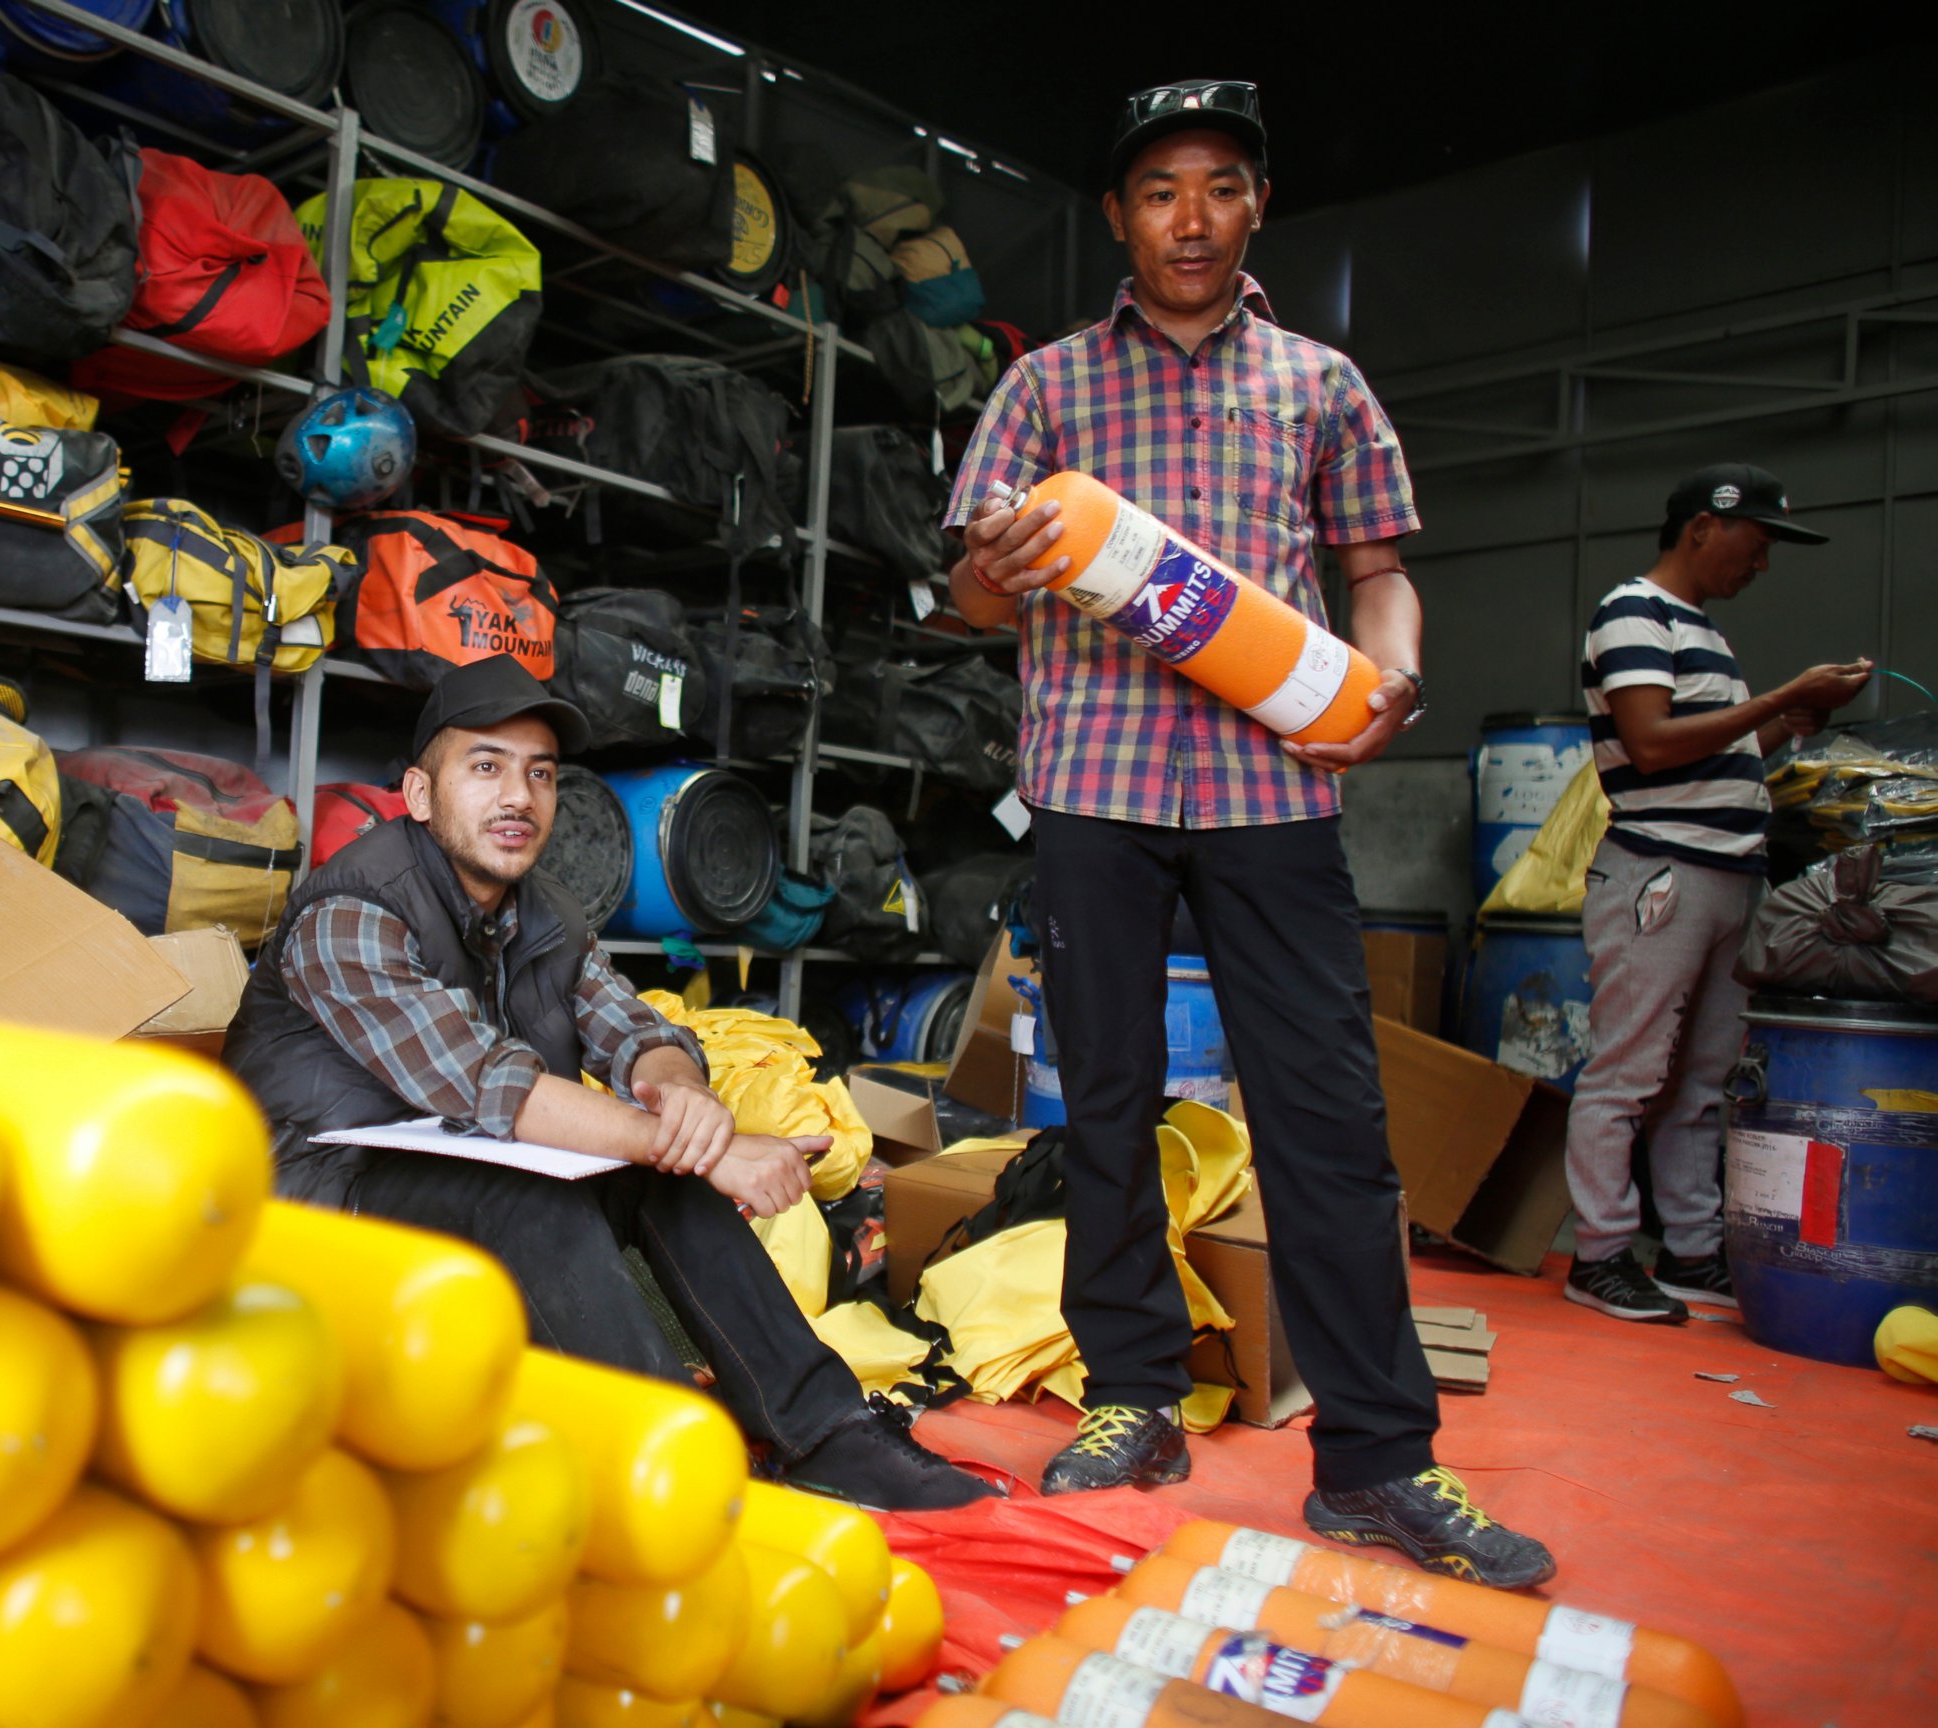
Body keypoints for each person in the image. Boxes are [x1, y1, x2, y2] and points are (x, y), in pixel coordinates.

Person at [941, 78, 1555, 1586]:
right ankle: (1135, 1397)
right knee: (1107, 1100)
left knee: (1329, 1119)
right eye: (1160, 192)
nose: (1191, 218)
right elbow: (967, 597)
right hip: (1094, 782)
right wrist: (1002, 576)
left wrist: (1392, 664)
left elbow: (1378, 567)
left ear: (1257, 205)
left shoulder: (1322, 384)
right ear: (1119, 218)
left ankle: (1378, 1459)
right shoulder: (1047, 390)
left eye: (1220, 186)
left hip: (1274, 794)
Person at [223, 655, 994, 1511]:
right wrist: (714, 1151)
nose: (518, 797)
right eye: (485, 767)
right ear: (417, 793)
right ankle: (672, 1464)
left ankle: (827, 1433)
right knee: (538, 1196)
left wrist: (684, 1103)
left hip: (449, 1170)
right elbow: (488, 1083)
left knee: (654, 1171)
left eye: (540, 774)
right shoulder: (352, 912)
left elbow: (634, 1028)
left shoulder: (541, 910)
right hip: (313, 1200)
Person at [1562, 465, 1869, 1323]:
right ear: (1703, 528)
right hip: (1662, 873)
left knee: (1701, 1081)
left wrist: (1791, 721)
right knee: (1627, 1074)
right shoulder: (1633, 612)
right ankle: (1600, 1255)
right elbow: (1652, 745)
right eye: (1756, 543)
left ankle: (1692, 1252)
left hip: (1729, 874)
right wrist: (1781, 694)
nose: (1762, 563)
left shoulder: (1698, 629)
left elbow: (1716, 756)